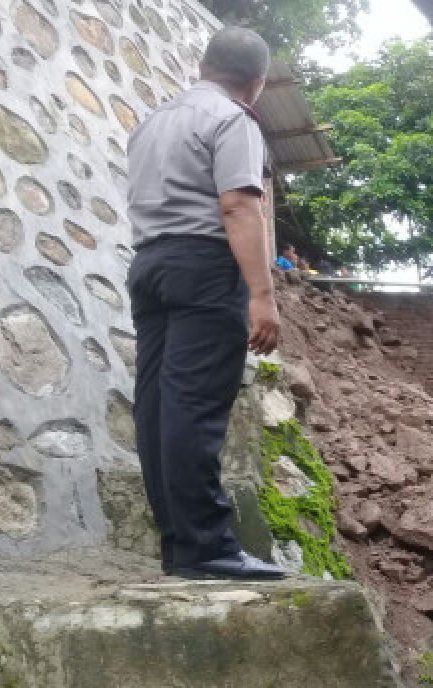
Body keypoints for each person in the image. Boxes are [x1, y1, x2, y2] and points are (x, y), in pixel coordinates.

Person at [125, 26, 285, 580]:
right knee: (193, 406)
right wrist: (262, 296)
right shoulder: (233, 120)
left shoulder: (153, 121)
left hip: (149, 266)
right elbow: (239, 205)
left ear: (205, 64)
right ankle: (207, 549)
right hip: (204, 268)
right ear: (257, 82)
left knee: (158, 409)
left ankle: (179, 545)